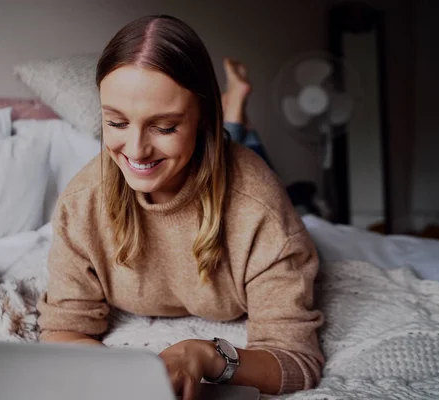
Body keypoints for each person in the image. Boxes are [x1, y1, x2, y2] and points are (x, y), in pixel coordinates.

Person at [37, 15, 325, 399]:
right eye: (117, 122)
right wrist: (115, 372)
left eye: (165, 127)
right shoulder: (82, 203)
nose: (136, 150)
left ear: (202, 117)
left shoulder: (258, 209)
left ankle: (235, 107)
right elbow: (63, 329)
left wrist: (207, 355)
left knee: (246, 151)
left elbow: (296, 360)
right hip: (205, 154)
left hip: (231, 167)